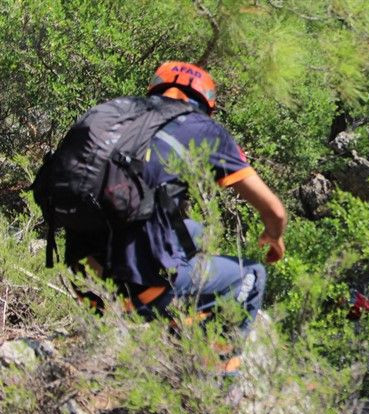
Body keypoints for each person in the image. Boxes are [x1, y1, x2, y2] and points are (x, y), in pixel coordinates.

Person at [78, 61, 287, 334]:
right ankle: (215, 369)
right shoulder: (205, 129)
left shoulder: (117, 113)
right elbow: (275, 211)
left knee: (196, 233)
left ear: (155, 88)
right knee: (252, 274)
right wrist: (274, 236)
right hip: (137, 286)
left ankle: (135, 309)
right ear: (207, 105)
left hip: (83, 270)